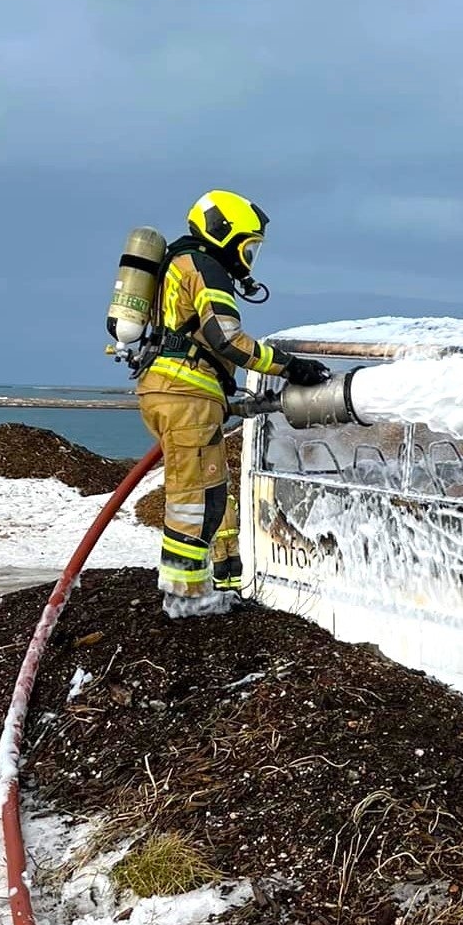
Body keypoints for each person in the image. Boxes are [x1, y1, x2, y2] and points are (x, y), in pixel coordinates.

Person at [136, 190, 329, 616]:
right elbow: (227, 339)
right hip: (185, 397)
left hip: (172, 392)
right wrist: (290, 367)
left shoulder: (177, 264)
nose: (249, 258)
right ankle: (186, 600)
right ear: (224, 234)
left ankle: (192, 590)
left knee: (203, 494)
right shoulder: (205, 267)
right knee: (194, 500)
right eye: (247, 246)